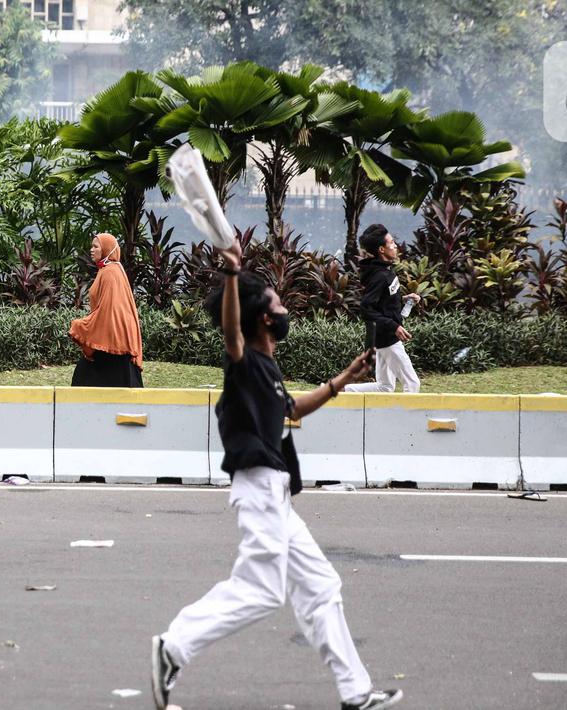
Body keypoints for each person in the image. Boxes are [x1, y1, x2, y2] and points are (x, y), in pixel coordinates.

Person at [149, 243, 403, 710]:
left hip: (276, 495)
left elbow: (290, 410)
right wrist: (231, 274)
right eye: (278, 303)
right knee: (263, 592)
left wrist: (340, 381)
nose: (285, 308)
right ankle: (174, 645)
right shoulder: (243, 361)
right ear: (262, 317)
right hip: (259, 487)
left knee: (321, 586)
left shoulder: (267, 368)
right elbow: (230, 330)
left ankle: (355, 693)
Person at [344, 224, 421, 394]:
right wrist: (394, 326)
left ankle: (342, 391)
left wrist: (404, 299)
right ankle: (405, 421)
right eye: (391, 243)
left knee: (385, 387)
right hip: (388, 339)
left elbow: (382, 301)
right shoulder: (379, 276)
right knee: (412, 384)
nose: (395, 246)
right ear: (382, 249)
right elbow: (366, 308)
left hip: (383, 338)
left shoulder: (384, 270)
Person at [68, 232, 144, 388]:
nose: (91, 249)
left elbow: (109, 310)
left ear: (107, 250)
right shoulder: (108, 270)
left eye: (96, 246)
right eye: (92, 246)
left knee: (83, 381)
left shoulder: (110, 272)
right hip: (112, 336)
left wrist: (82, 325)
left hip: (112, 338)